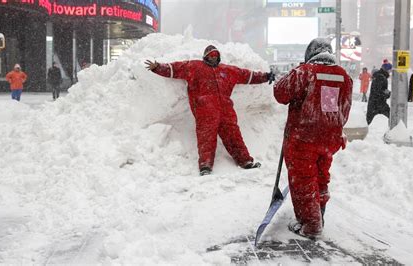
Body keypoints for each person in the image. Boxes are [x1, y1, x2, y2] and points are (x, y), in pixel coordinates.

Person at [145, 45, 275, 176]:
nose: (213, 58)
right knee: (206, 138)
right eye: (210, 55)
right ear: (205, 56)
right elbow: (176, 68)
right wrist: (158, 67)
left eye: (216, 55)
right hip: (205, 110)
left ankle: (245, 161)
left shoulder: (228, 70)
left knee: (233, 136)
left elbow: (246, 75)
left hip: (226, 110)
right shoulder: (195, 67)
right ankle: (205, 165)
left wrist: (265, 76)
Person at [273, 38, 352, 238]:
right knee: (320, 177)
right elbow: (343, 108)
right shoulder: (343, 76)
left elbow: (280, 93)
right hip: (329, 139)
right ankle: (319, 213)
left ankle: (311, 225)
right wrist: (330, 128)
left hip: (303, 138)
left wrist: (294, 73)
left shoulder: (304, 72)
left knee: (303, 180)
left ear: (310, 53)